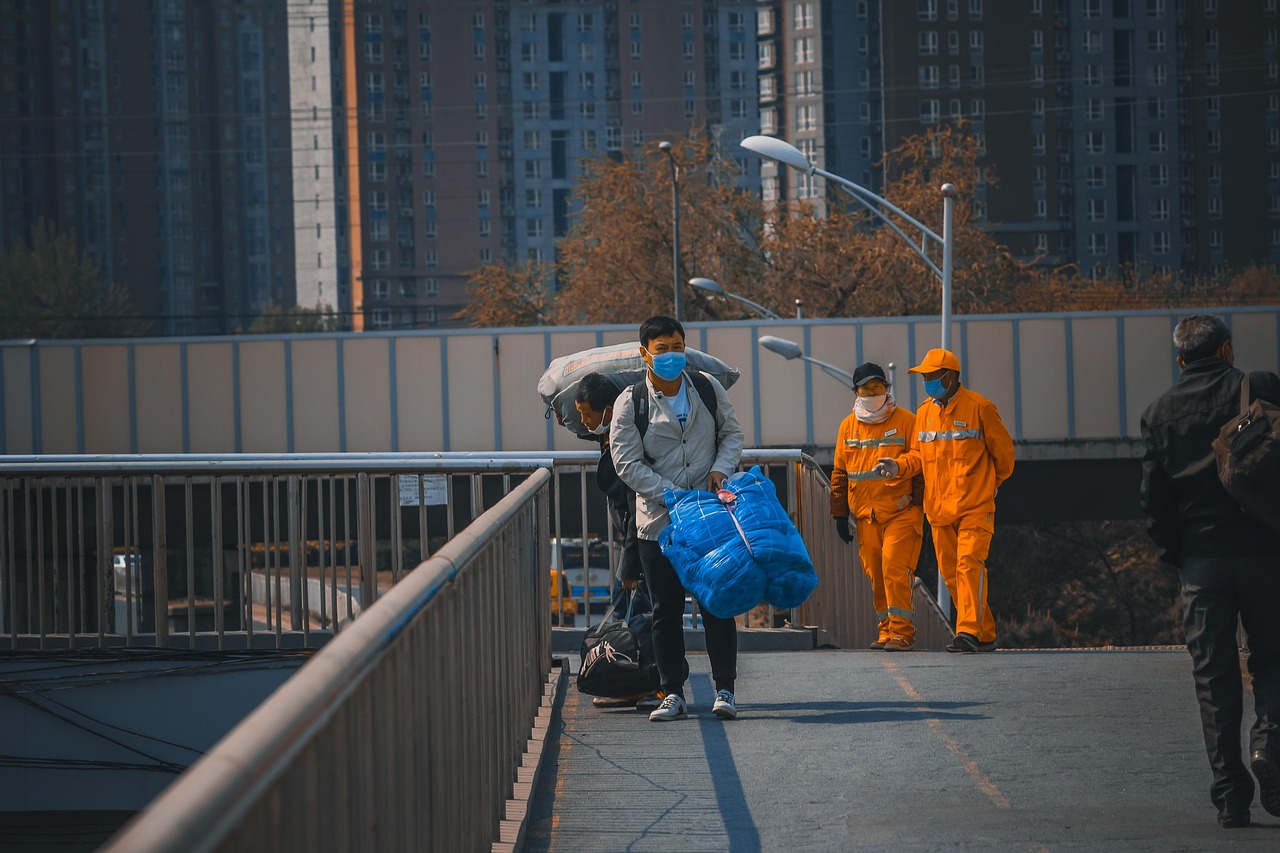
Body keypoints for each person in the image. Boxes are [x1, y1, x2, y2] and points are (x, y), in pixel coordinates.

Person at [1139, 313, 1280, 829]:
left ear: (1181, 360)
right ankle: (1268, 746)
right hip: (1266, 554)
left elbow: (1153, 501)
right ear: (1226, 350)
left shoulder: (1159, 412)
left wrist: (1178, 555)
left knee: (1214, 678)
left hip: (1201, 563)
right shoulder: (1259, 386)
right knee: (1273, 659)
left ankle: (1230, 796)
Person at [611, 315, 744, 721]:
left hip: (708, 517)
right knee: (665, 610)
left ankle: (725, 690)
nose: (672, 355)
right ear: (644, 354)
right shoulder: (630, 401)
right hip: (659, 523)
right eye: (662, 348)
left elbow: (732, 434)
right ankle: (672, 691)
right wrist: (671, 494)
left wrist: (721, 469)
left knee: (716, 603)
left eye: (677, 346)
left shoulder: (706, 386)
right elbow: (626, 463)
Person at [873, 348, 1014, 653]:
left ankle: (968, 632)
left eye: (932, 376)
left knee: (969, 565)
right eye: (924, 376)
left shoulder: (981, 408)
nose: (927, 381)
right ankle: (985, 631)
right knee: (952, 574)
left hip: (975, 506)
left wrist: (990, 486)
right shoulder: (924, 413)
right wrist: (898, 466)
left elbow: (1005, 458)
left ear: (950, 376)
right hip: (939, 510)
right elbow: (920, 458)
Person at [573, 372, 659, 711]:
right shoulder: (610, 437)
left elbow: (633, 513)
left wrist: (629, 563)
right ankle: (633, 684)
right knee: (631, 612)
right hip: (636, 541)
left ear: (609, 411)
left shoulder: (625, 444)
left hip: (641, 540)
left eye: (587, 415)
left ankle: (656, 685)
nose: (583, 422)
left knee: (642, 616)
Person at [830, 362, 924, 651]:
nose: (872, 392)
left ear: (887, 389)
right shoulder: (848, 425)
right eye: (866, 388)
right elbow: (840, 473)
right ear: (855, 392)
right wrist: (839, 513)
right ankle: (886, 629)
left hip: (901, 511)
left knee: (894, 568)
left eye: (877, 387)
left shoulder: (907, 421)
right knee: (876, 572)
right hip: (865, 515)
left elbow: (921, 462)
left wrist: (918, 505)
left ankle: (902, 633)